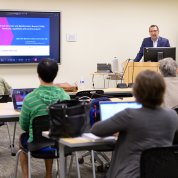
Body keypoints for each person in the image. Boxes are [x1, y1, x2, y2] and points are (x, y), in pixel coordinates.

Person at [91, 70, 178, 178]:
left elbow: (96, 130)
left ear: (137, 91)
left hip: (129, 174)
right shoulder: (173, 116)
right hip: (161, 173)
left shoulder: (129, 115)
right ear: (163, 91)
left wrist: (121, 132)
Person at [19, 59, 70, 178]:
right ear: (55, 74)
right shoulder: (64, 96)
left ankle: (26, 176)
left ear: (38, 74)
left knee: (22, 139)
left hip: (36, 145)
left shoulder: (30, 99)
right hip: (60, 143)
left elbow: (24, 126)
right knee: (52, 133)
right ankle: (48, 175)